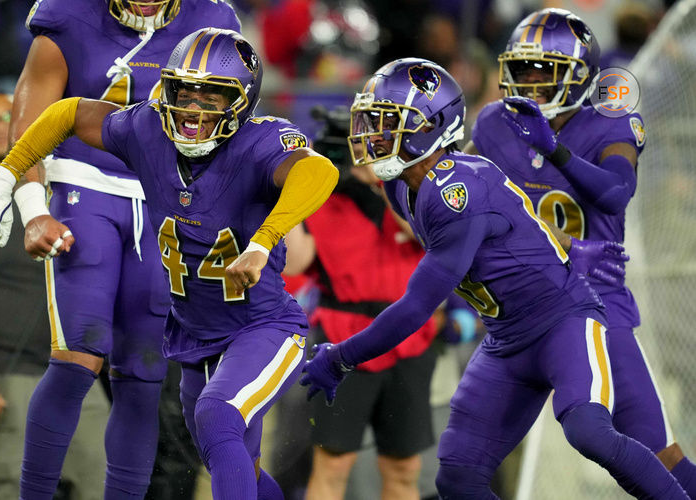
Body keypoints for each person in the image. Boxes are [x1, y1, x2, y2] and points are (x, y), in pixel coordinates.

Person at [0, 28, 339, 500]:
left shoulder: (262, 141)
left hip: (261, 325)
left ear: (241, 102)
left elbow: (320, 170)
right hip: (195, 335)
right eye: (185, 92)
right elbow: (67, 111)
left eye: (212, 97)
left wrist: (264, 241)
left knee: (216, 415)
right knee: (236, 462)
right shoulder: (146, 129)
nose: (192, 109)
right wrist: (5, 178)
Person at [299, 57, 690, 499]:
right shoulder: (404, 183)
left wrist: (340, 358)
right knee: (458, 479)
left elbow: (415, 308)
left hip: (562, 322)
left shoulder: (455, 191)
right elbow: (516, 214)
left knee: (589, 430)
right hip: (506, 340)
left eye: (388, 122)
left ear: (429, 127)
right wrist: (571, 245)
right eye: (372, 120)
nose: (374, 133)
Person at [0, 1, 241, 499]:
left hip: (163, 198)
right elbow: (30, 123)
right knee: (78, 357)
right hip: (83, 186)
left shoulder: (212, 20)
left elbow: (230, 124)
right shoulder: (68, 15)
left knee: (145, 374)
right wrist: (32, 208)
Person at [465, 8, 696, 496]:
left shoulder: (610, 123)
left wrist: (556, 151)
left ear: (579, 74)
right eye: (521, 68)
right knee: (466, 462)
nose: (527, 82)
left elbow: (616, 192)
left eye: (542, 69)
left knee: (658, 453)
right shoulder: (492, 123)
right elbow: (463, 197)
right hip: (520, 309)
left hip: (594, 304)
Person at [0, 92, 110, 500]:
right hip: (9, 371)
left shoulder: (55, 195)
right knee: (15, 489)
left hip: (74, 364)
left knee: (103, 480)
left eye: (11, 115)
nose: (3, 125)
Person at [282, 107, 439, 500]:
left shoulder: (411, 189)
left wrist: (385, 181)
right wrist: (290, 193)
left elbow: (428, 235)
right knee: (332, 464)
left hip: (409, 339)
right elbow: (296, 261)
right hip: (342, 339)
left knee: (404, 467)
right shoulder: (323, 200)